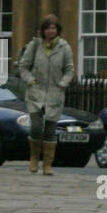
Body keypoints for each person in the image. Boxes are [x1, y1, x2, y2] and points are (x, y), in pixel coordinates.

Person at [16, 15, 75, 175]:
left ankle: (47, 165)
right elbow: (23, 67)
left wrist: (63, 83)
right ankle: (34, 158)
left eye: (54, 28)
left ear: (58, 30)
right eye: (48, 28)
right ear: (43, 30)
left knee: (50, 129)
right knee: (35, 127)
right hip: (36, 93)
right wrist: (31, 81)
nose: (51, 31)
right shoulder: (34, 45)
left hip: (55, 94)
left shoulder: (64, 47)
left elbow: (69, 69)